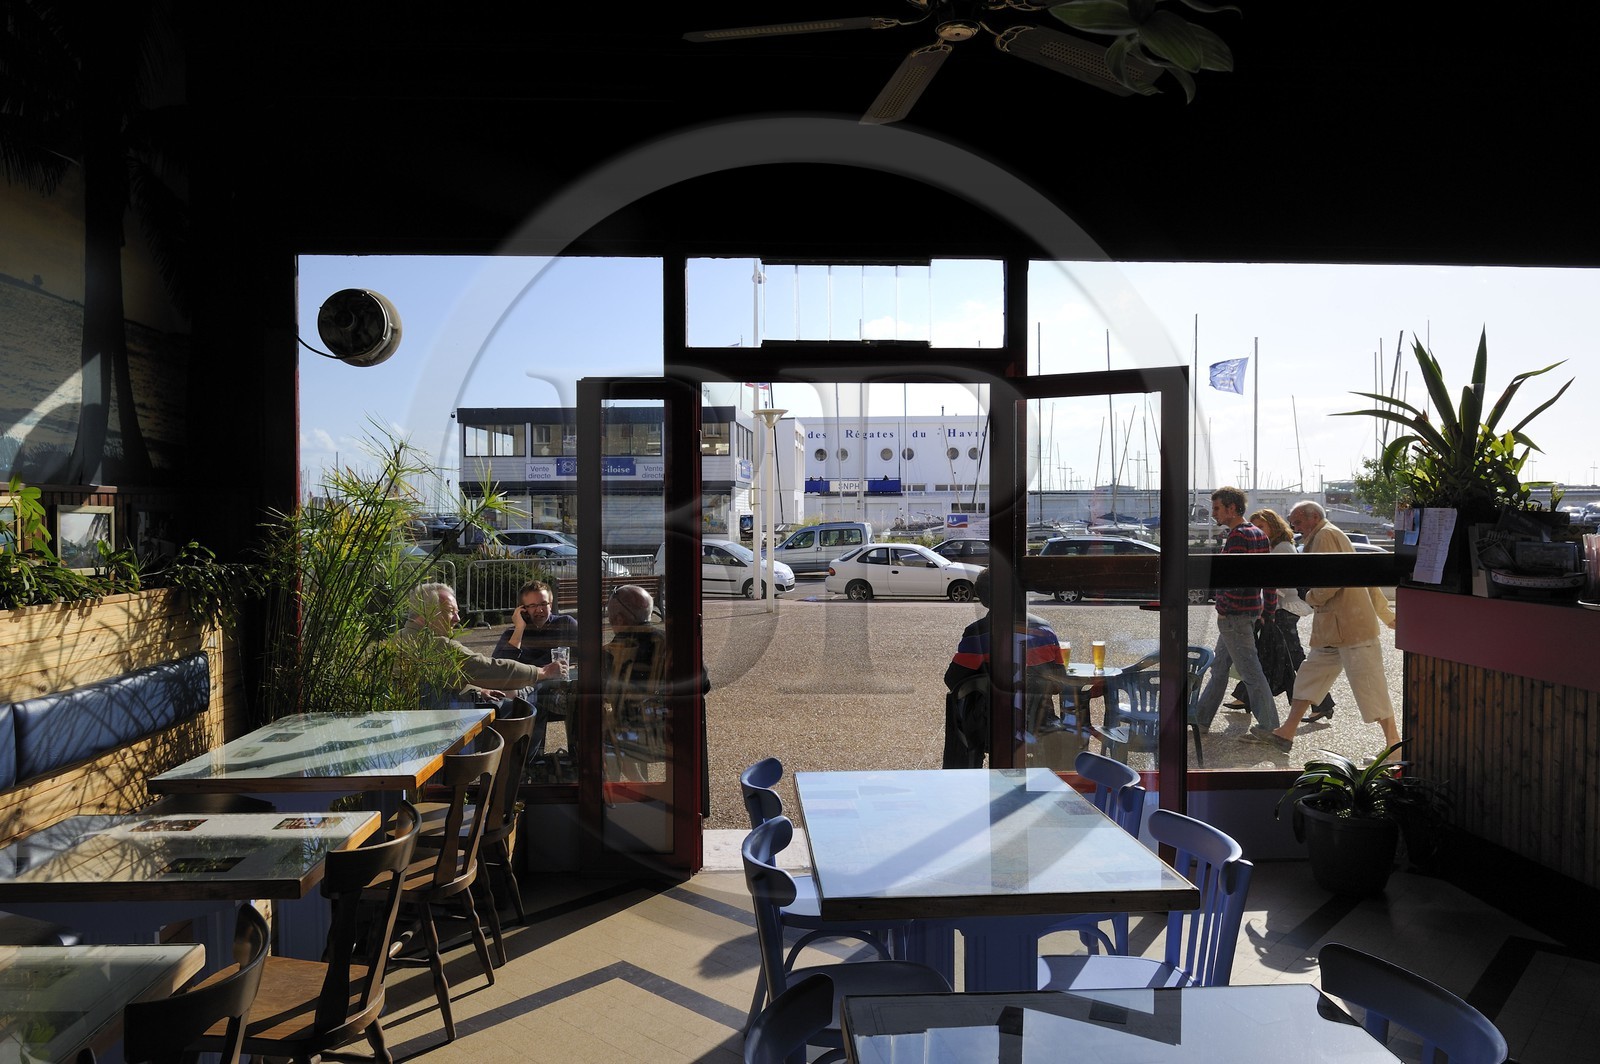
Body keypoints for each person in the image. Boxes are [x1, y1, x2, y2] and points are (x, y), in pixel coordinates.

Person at [1271, 501, 1400, 752]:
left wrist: (1308, 597)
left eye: (1297, 521)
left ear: (1314, 517)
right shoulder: (1327, 533)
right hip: (1339, 627)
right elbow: (1362, 577)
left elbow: (1330, 583)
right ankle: (1287, 731)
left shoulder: (1325, 535)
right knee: (1310, 677)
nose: (1294, 527)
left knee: (1370, 686)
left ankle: (1394, 742)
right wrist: (1385, 615)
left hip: (1348, 627)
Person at [943, 567, 1068, 768]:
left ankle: (963, 770)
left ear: (983, 599)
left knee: (955, 705)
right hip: (1039, 721)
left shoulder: (978, 633)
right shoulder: (1045, 629)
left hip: (993, 726)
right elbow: (1059, 681)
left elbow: (952, 679)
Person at [1192, 486, 1286, 751]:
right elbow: (1267, 578)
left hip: (1234, 615)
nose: (1213, 514)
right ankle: (1200, 720)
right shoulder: (1258, 534)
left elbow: (1230, 579)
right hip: (1249, 612)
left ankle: (1270, 727)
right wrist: (1268, 610)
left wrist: (1223, 605)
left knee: (1251, 673)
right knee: (1220, 668)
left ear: (1232, 508)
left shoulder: (1236, 537)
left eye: (1217, 508)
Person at [1226, 508, 1335, 720]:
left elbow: (1284, 583)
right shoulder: (1272, 546)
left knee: (1292, 659)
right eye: (1255, 526)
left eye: (1262, 526)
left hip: (1284, 611)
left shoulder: (1283, 548)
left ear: (1273, 526)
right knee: (1266, 656)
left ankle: (1322, 703)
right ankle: (1246, 696)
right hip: (1275, 610)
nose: (1257, 530)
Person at [396, 581, 562, 706]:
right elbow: (487, 668)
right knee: (524, 701)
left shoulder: (399, 639)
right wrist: (542, 672)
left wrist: (477, 690)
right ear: (425, 615)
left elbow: (445, 683)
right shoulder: (436, 645)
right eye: (450, 612)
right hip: (440, 726)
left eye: (457, 612)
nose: (458, 619)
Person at [492, 579, 578, 669]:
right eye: (533, 605)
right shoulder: (512, 634)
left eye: (544, 604)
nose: (539, 610)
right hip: (527, 682)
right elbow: (498, 669)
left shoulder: (566, 624)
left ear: (551, 605)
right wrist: (519, 629)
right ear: (523, 608)